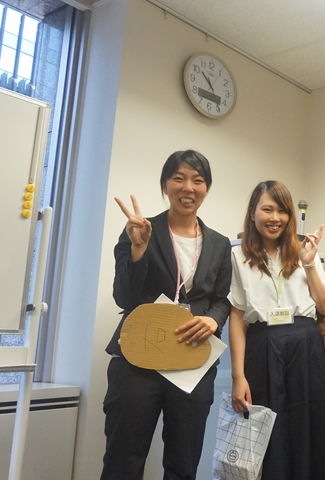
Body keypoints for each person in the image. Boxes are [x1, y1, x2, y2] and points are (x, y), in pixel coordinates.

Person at [103, 150, 231, 479]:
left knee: (183, 462)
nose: (188, 187)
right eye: (179, 178)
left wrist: (214, 319)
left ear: (206, 188)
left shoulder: (219, 244)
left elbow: (222, 299)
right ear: (165, 185)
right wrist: (138, 250)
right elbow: (124, 297)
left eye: (198, 180)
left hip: (192, 360)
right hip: (138, 361)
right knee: (123, 459)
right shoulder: (139, 231)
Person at [228, 180, 325, 479]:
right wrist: (238, 376)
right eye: (267, 209)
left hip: (305, 346)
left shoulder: (304, 250)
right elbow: (237, 317)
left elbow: (324, 306)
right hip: (262, 347)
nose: (275, 218)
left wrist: (309, 264)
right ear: (252, 213)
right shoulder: (238, 256)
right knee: (266, 432)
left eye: (282, 211)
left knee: (310, 427)